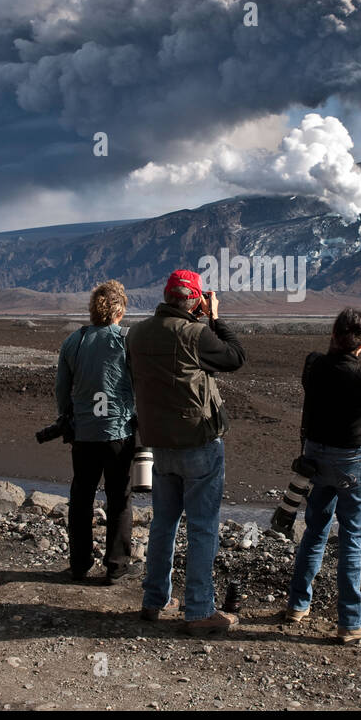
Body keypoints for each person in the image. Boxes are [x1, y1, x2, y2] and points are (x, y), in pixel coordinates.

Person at [127, 270, 245, 636]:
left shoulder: (137, 333)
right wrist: (215, 317)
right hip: (198, 442)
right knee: (202, 525)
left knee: (163, 521)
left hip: (160, 443)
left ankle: (155, 599)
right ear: (195, 300)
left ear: (166, 296)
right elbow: (235, 357)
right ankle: (198, 610)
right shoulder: (196, 333)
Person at [284, 308, 361, 644]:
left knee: (315, 530)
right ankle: (350, 620)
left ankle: (297, 604)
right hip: (353, 460)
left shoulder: (314, 364)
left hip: (316, 457)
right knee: (352, 537)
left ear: (332, 334)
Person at [55, 280, 136, 583]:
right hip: (118, 434)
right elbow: (139, 384)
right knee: (119, 500)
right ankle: (116, 567)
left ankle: (79, 564)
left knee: (81, 497)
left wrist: (66, 418)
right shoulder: (126, 341)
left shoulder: (74, 341)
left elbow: (62, 390)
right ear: (120, 309)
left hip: (85, 435)